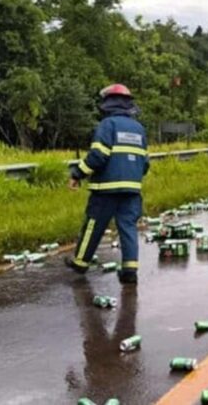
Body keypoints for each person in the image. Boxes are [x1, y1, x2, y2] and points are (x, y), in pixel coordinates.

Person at [65, 84, 149, 284]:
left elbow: (98, 156)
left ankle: (80, 262)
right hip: (132, 189)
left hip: (105, 189)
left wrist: (77, 174)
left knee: (93, 225)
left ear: (108, 102)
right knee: (128, 227)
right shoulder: (139, 129)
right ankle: (130, 270)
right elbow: (145, 163)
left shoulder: (107, 125)